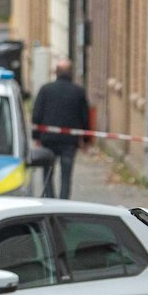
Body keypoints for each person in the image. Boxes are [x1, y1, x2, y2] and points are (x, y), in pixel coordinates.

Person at [30, 60, 90, 200]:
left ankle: (50, 198)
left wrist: (36, 137)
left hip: (48, 139)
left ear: (56, 72)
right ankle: (64, 201)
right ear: (71, 73)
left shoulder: (46, 90)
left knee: (48, 171)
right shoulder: (78, 92)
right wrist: (85, 140)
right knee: (66, 174)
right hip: (70, 141)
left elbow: (37, 115)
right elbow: (85, 118)